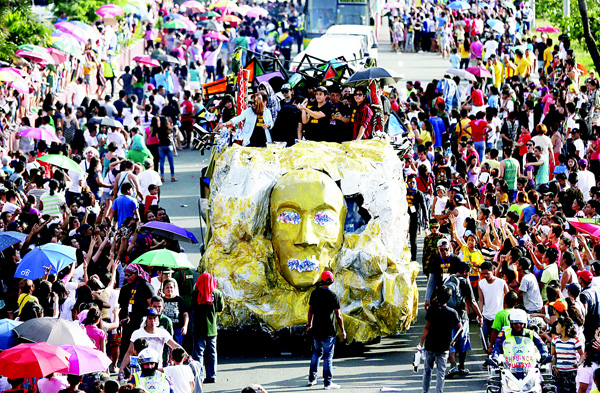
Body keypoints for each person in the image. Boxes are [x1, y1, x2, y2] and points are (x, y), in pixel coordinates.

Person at [307, 271, 346, 390]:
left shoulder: (315, 293)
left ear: (322, 280)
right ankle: (327, 383)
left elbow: (310, 311)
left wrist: (309, 324)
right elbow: (338, 315)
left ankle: (312, 379)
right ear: (332, 281)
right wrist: (343, 330)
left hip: (317, 329)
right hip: (329, 330)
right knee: (328, 356)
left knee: (316, 353)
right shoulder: (333, 296)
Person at [419, 286, 461, 393]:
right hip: (444, 346)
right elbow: (461, 328)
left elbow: (427, 327)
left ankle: (425, 391)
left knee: (427, 371)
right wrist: (454, 341)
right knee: (441, 373)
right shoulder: (452, 312)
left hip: (430, 345)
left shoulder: (432, 310)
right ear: (449, 297)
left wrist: (421, 342)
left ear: (437, 296)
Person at [192, 273, 224, 384]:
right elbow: (220, 309)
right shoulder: (217, 293)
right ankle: (211, 376)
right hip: (212, 329)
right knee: (211, 353)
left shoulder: (196, 293)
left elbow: (193, 307)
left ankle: (198, 377)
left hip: (199, 328)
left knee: (198, 354)